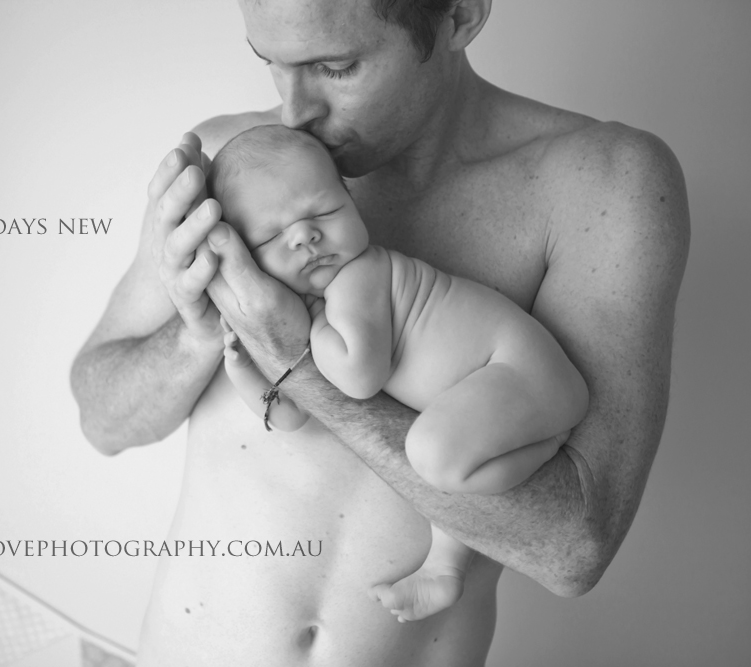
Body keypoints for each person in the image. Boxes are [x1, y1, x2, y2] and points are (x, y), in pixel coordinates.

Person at [70, 0, 689, 664]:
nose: (294, 112)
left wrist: (296, 364)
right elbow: (102, 422)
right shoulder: (228, 167)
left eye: (335, 67)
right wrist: (201, 330)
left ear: (461, 14)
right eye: (270, 62)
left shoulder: (602, 184)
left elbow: (574, 551)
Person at [211, 124, 589, 622]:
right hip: (495, 390)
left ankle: (547, 445)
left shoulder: (358, 277)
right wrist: (243, 366)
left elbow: (358, 379)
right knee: (442, 470)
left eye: (323, 211)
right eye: (271, 235)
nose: (304, 235)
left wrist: (301, 331)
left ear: (352, 201)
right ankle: (444, 570)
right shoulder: (318, 310)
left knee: (431, 454)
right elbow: (291, 416)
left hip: (517, 369)